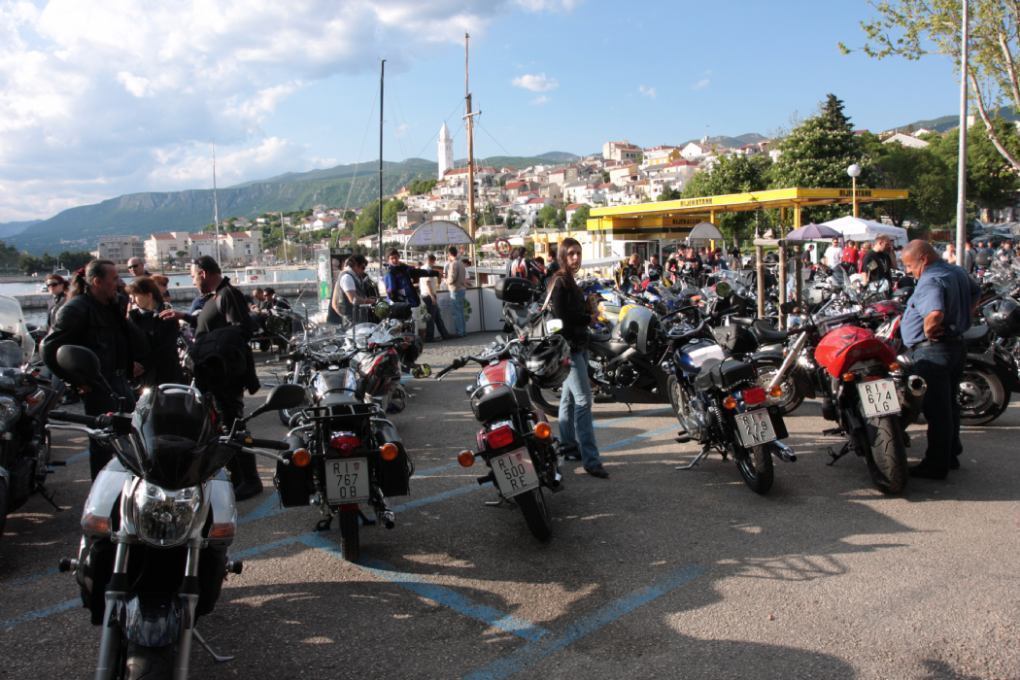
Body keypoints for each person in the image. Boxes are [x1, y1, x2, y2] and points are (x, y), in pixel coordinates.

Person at [161, 256, 262, 499]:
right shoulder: (215, 296)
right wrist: (184, 316)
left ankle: (250, 479)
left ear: (203, 273)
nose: (193, 281)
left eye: (193, 276)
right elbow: (210, 323)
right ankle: (237, 476)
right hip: (214, 375)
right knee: (223, 427)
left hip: (226, 376)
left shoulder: (228, 294)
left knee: (233, 425)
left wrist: (212, 348)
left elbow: (242, 330)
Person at [41, 260, 142, 479]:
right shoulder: (76, 309)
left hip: (121, 383)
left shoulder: (112, 305)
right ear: (97, 281)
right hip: (98, 387)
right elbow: (48, 349)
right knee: (104, 445)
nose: (119, 282)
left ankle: (128, 489)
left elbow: (121, 339)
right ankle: (103, 492)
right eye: (114, 278)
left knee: (130, 440)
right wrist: (76, 381)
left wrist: (132, 362)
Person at [899, 240, 979, 480]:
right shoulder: (956, 271)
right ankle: (950, 453)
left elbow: (934, 314)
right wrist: (964, 314)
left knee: (937, 411)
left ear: (923, 258)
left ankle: (935, 465)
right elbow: (976, 291)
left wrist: (929, 330)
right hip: (955, 347)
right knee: (949, 406)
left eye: (910, 265)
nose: (909, 271)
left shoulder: (931, 279)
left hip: (933, 351)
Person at [547, 237, 608, 479]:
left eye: (578, 253)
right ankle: (591, 460)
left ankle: (569, 446)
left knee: (569, 399)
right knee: (583, 401)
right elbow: (562, 318)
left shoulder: (570, 281)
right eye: (571, 253)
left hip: (577, 345)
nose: (575, 258)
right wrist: (587, 318)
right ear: (562, 256)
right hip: (569, 348)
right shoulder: (560, 281)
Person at [126, 276, 182, 388]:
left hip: (166, 377)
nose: (132, 300)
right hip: (141, 380)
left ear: (149, 295)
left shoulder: (168, 317)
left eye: (135, 296)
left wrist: (143, 365)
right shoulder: (133, 318)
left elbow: (166, 348)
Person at [331, 254, 377, 325]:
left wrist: (367, 299)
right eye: (362, 267)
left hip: (357, 319)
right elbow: (353, 299)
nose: (363, 271)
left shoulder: (351, 276)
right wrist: (369, 301)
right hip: (352, 321)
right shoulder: (347, 277)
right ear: (355, 265)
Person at [419, 253, 451, 342]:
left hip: (427, 295)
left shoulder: (423, 268)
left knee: (437, 317)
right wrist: (432, 297)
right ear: (430, 260)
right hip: (429, 296)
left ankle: (445, 334)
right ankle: (430, 337)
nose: (434, 263)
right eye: (433, 261)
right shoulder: (427, 269)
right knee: (432, 318)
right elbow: (428, 283)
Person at [445, 246, 468, 337]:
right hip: (462, 288)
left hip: (455, 289)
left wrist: (446, 281)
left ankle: (460, 332)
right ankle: (463, 331)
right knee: (461, 311)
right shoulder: (461, 263)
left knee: (456, 312)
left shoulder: (453, 264)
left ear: (449, 254)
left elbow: (452, 278)